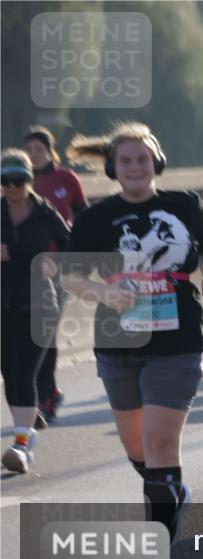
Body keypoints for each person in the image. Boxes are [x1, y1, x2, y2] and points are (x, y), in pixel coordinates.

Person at [61, 122, 203, 541]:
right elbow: (70, 277)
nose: (136, 167)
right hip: (119, 343)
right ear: (114, 168)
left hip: (178, 343)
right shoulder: (97, 218)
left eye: (143, 159)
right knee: (139, 450)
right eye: (126, 160)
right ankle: (170, 489)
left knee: (159, 443)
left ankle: (159, 533)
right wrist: (103, 292)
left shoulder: (184, 204)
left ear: (157, 162)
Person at [1, 150, 70, 473]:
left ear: (30, 180)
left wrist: (54, 263)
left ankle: (21, 446)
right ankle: (27, 425)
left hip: (40, 304)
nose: (12, 187)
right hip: (4, 306)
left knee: (24, 374)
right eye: (6, 181)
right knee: (9, 377)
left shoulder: (45, 213)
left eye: (19, 180)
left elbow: (72, 245)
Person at [24, 125, 88, 423]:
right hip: (24, 266)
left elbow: (83, 217)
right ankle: (43, 391)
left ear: (50, 152)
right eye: (29, 150)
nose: (34, 155)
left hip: (58, 262)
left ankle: (46, 393)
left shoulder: (66, 179)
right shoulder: (18, 183)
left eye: (39, 150)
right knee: (27, 332)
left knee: (46, 328)